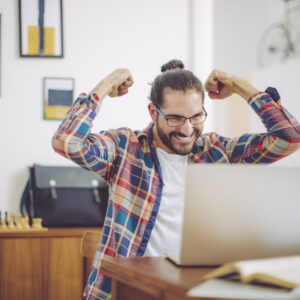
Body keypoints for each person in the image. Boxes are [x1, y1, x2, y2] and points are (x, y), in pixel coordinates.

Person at [52, 59, 300, 300]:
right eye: (175, 119)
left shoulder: (217, 151)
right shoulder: (124, 148)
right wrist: (106, 85)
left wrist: (238, 85)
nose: (187, 129)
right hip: (127, 289)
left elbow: (290, 137)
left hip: (190, 288)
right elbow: (66, 141)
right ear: (153, 111)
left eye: (196, 117)